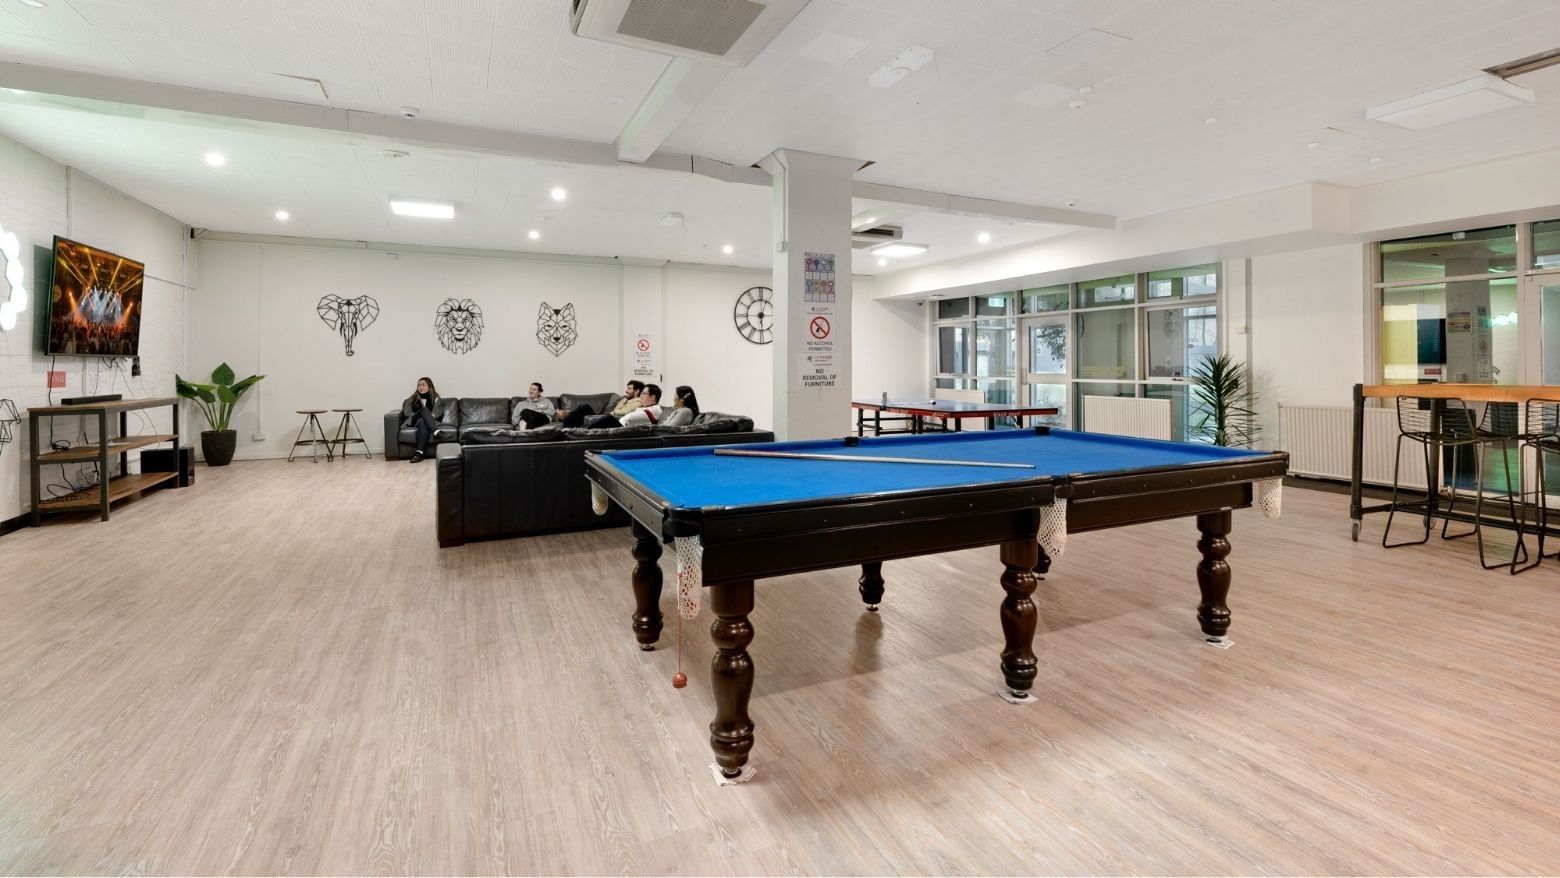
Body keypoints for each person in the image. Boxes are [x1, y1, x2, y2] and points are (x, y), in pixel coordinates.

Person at [401, 376, 445, 462]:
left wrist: (429, 416)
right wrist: (421, 414)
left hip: (427, 422)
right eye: (419, 385)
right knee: (424, 410)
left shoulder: (436, 398)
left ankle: (419, 453)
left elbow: (439, 411)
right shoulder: (412, 398)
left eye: (423, 385)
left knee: (422, 422)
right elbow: (407, 412)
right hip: (414, 420)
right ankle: (436, 432)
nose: (420, 387)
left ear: (429, 386)